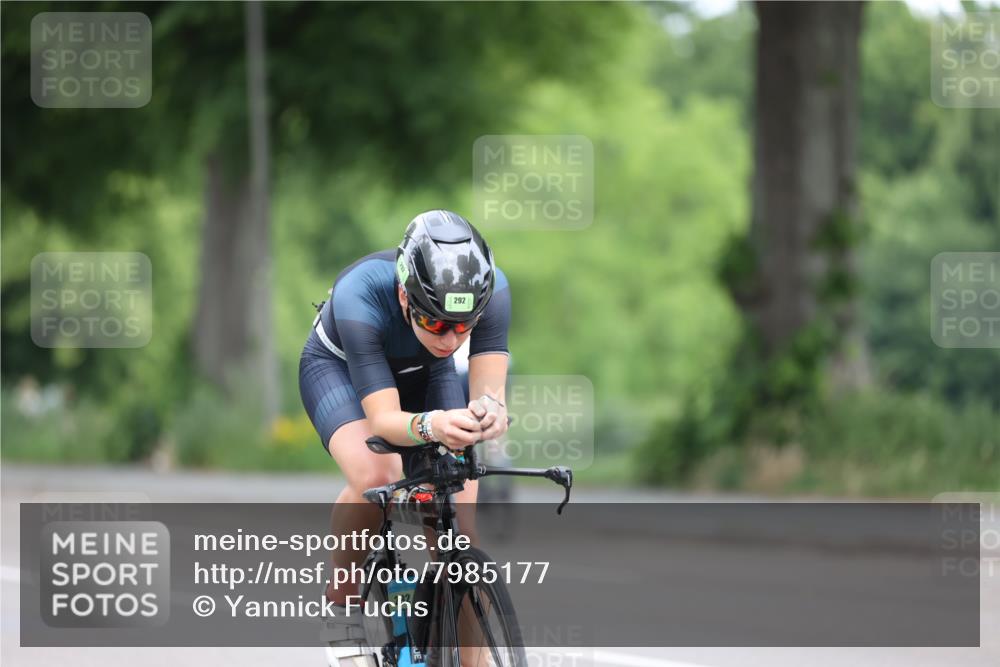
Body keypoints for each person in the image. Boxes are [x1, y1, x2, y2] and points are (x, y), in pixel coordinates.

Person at [298, 209, 511, 646]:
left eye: (463, 327)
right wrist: (434, 425)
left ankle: (475, 657)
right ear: (403, 297)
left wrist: (490, 414)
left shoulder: (492, 293)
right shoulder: (359, 295)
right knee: (378, 475)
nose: (450, 340)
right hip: (340, 371)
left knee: (457, 525)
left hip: (427, 374)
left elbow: (491, 398)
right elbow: (383, 422)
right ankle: (341, 609)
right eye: (434, 322)